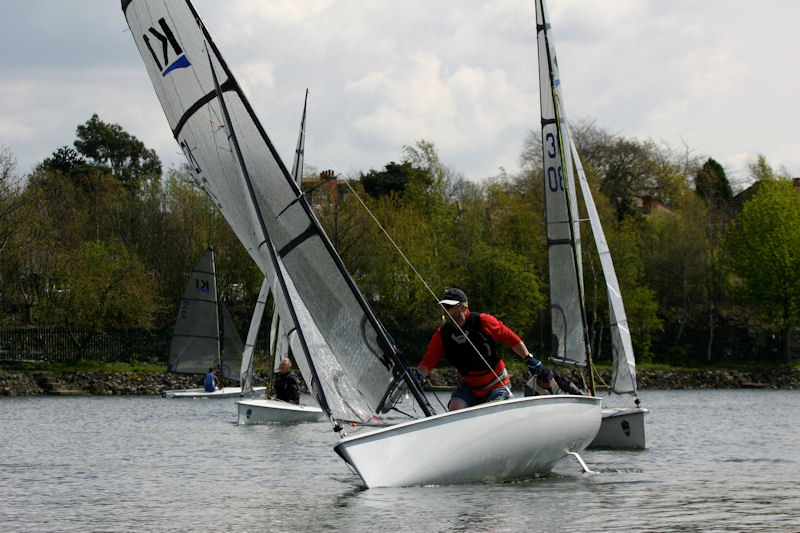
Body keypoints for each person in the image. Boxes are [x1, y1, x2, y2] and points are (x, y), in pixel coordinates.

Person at [416, 288, 555, 411]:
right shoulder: (442, 334)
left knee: (488, 412)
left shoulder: (483, 321)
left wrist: (528, 358)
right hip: (469, 387)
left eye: (449, 306)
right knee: (455, 409)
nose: (445, 310)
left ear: (463, 307)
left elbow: (510, 338)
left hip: (497, 384)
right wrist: (418, 375)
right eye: (443, 306)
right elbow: (428, 361)